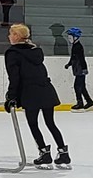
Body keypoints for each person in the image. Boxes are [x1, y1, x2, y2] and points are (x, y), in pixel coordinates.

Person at [4, 23, 71, 170]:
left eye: (11, 33)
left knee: (33, 124)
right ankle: (63, 153)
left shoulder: (13, 53)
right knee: (50, 123)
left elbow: (14, 77)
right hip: (46, 90)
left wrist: (11, 97)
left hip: (30, 93)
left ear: (17, 36)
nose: (9, 36)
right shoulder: (35, 50)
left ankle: (44, 153)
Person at [65, 26, 93, 110]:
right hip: (78, 69)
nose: (69, 39)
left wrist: (84, 69)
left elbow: (81, 58)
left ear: (75, 37)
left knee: (77, 86)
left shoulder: (78, 46)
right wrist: (69, 64)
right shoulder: (75, 46)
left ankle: (80, 102)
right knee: (81, 86)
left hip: (80, 69)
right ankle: (89, 102)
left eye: (70, 37)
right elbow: (73, 57)